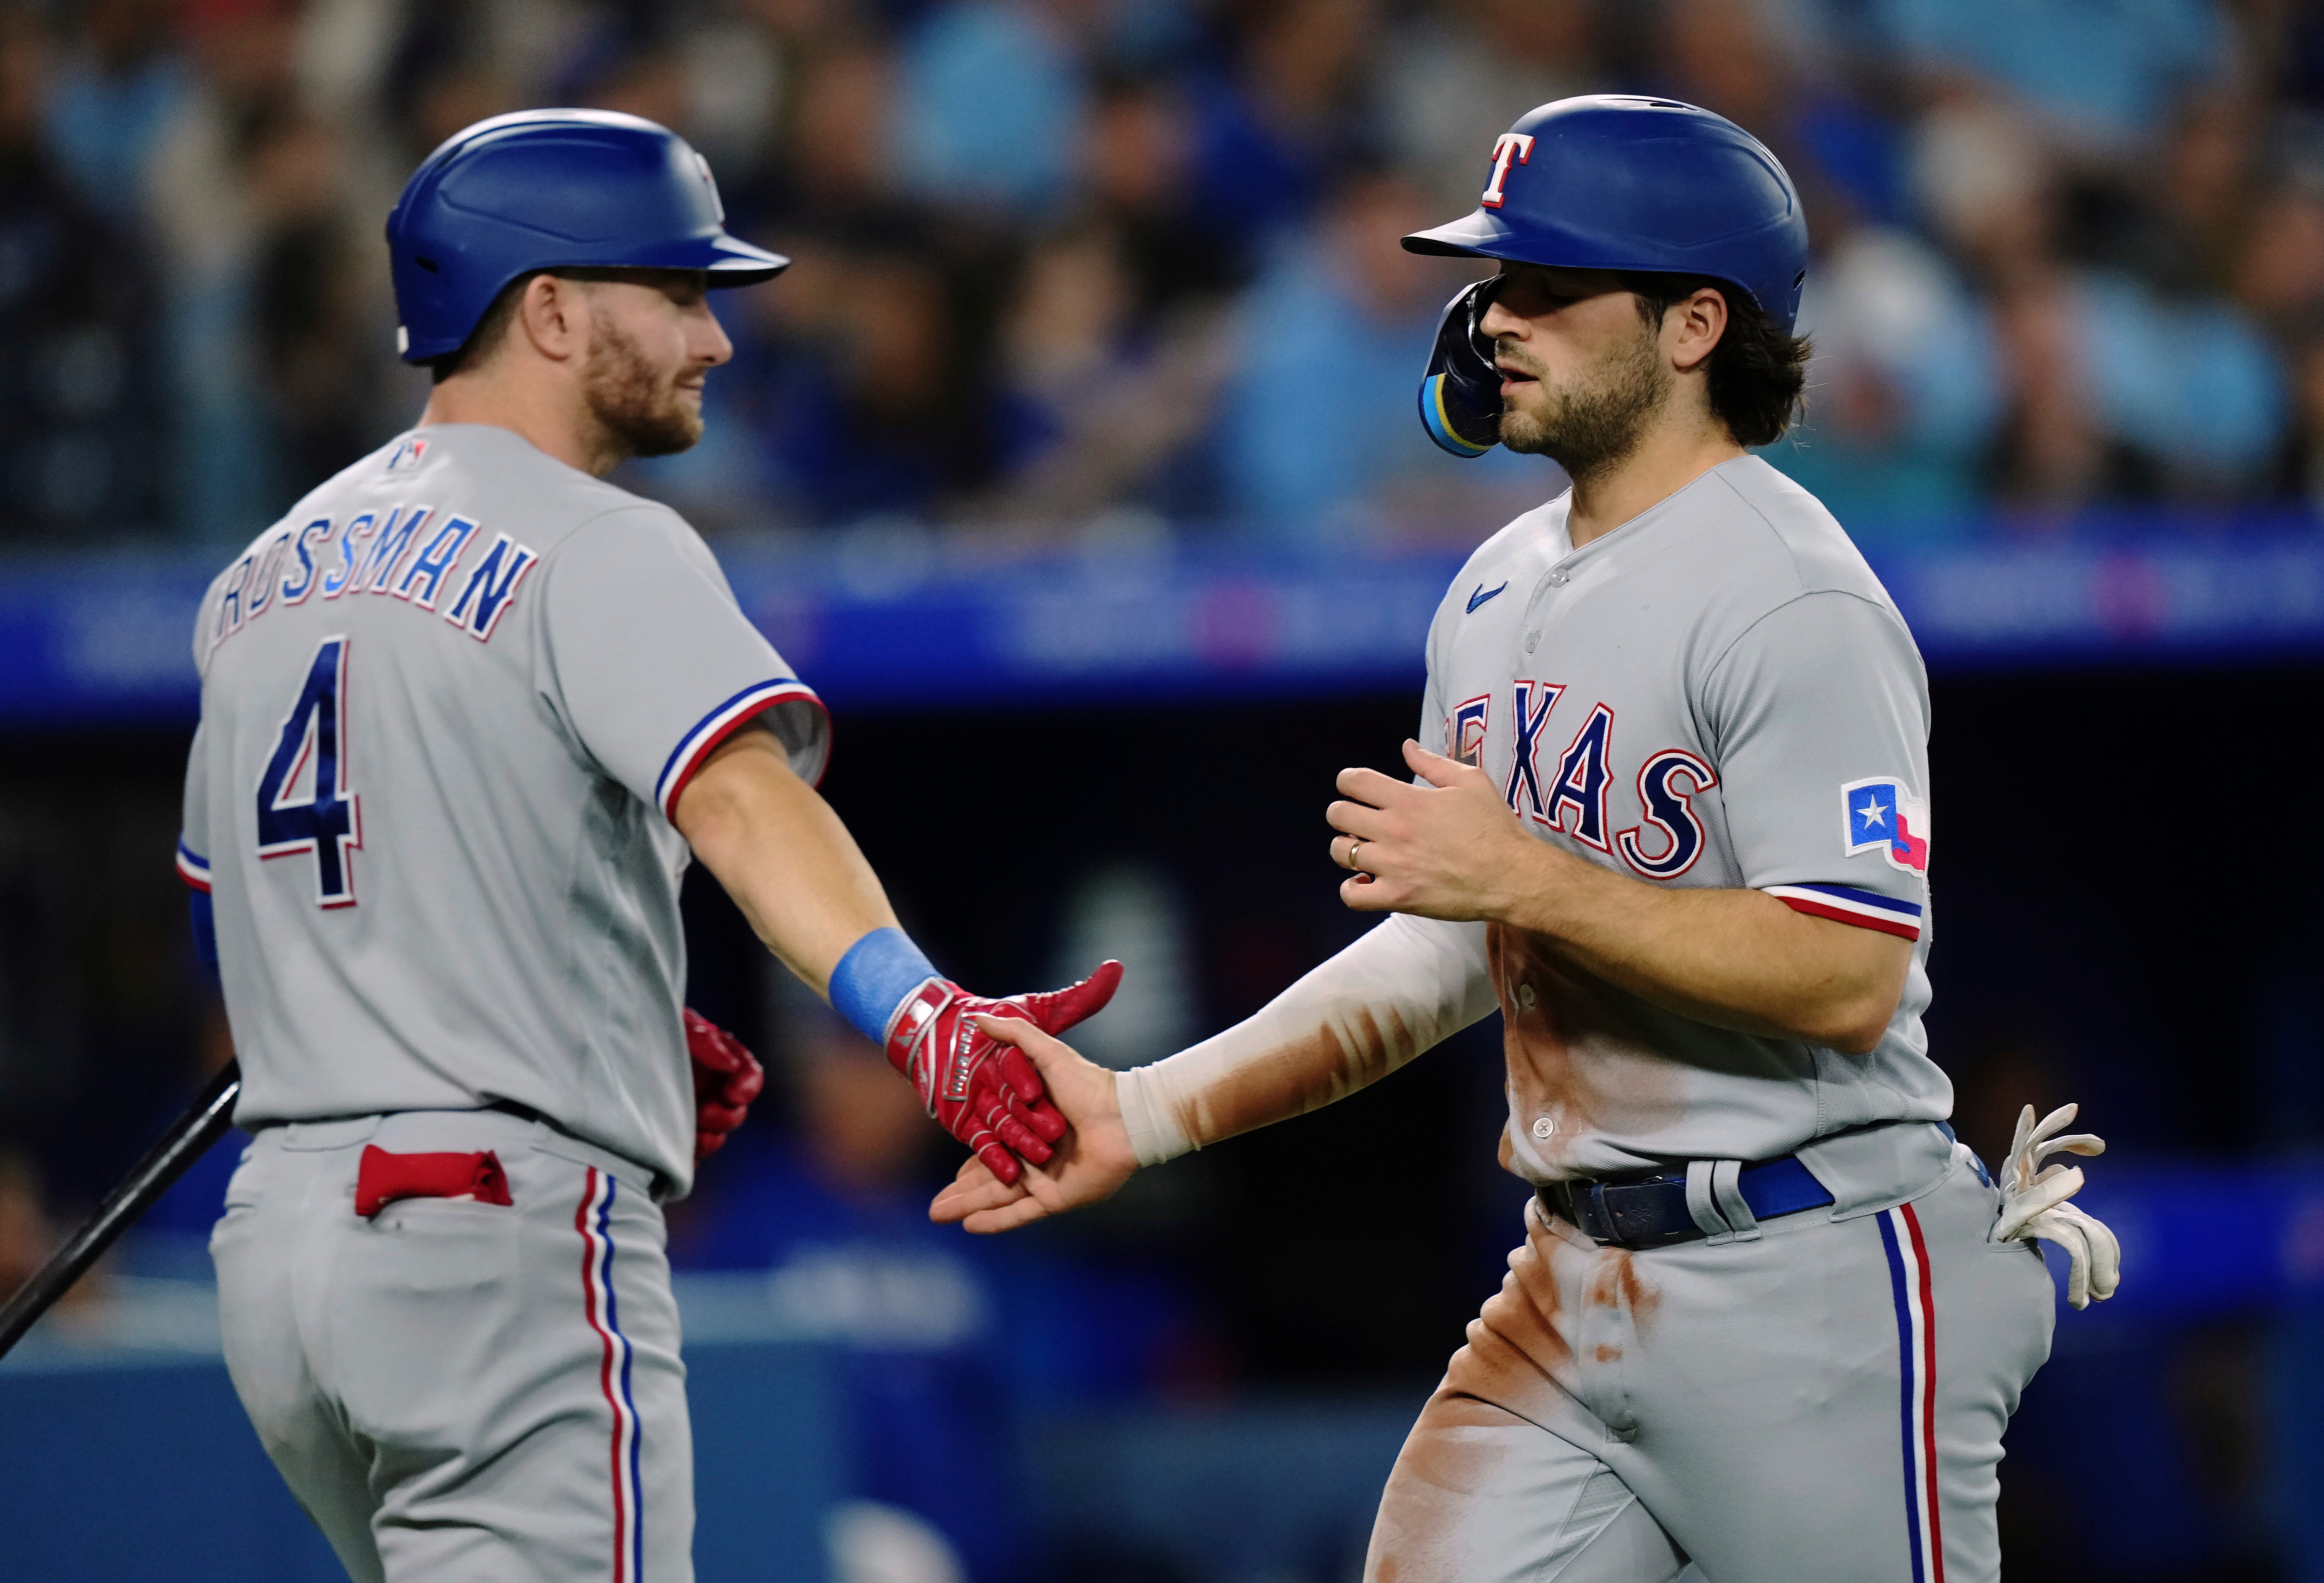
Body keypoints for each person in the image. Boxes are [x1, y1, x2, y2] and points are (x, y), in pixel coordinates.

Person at [931, 97, 2121, 1583]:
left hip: (1815, 1278)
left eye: (1554, 287)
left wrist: (1527, 876)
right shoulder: (1492, 589)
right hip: (1570, 1274)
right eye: (1499, 280)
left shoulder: (1794, 592)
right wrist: (1145, 1110)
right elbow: (1450, 948)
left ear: (1695, 324)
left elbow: (1847, 971)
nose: (1500, 317)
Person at [174, 109, 1116, 1583]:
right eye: (675, 294)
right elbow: (745, 803)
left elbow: (232, 924)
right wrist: (924, 1018)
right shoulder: (601, 539)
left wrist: (579, 1004)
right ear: (547, 310)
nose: (716, 338)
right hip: (495, 1236)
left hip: (283, 1260)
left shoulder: (255, 579)